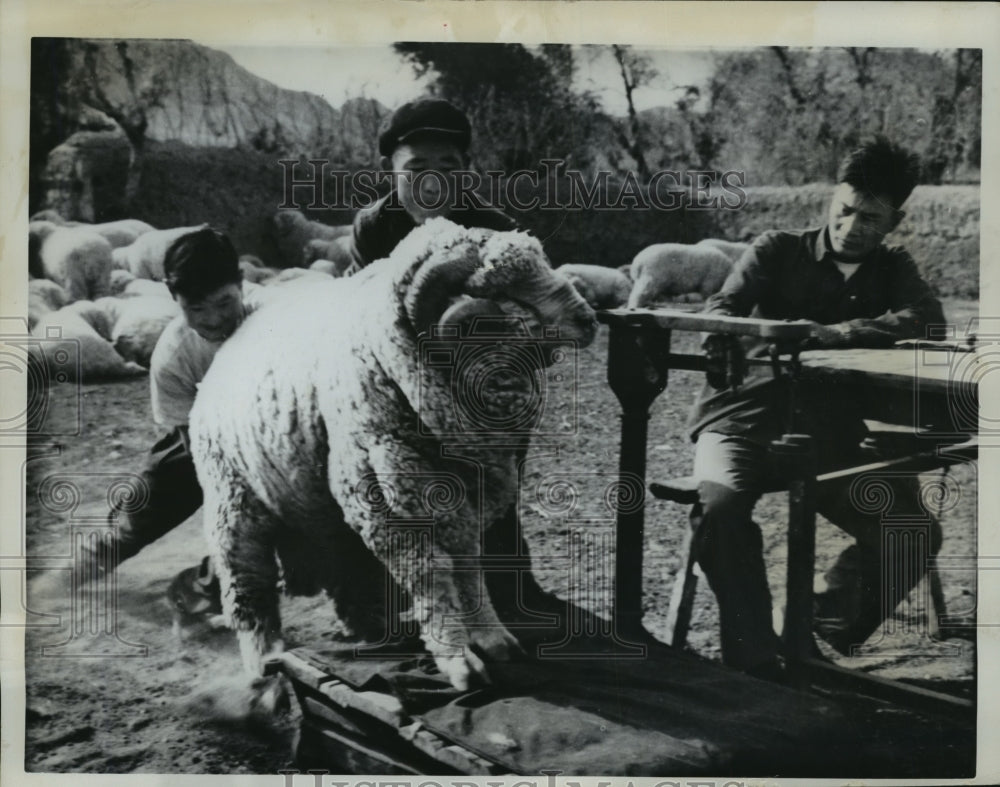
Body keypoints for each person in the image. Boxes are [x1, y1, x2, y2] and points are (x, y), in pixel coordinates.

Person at [685, 136, 946, 679]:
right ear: (832, 199)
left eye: (869, 219)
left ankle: (811, 626)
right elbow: (720, 311)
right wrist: (728, 339)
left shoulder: (892, 267)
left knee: (912, 530)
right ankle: (755, 658)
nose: (851, 227)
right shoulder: (776, 249)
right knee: (720, 512)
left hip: (827, 435)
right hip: (742, 419)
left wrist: (836, 333)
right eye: (844, 211)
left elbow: (927, 320)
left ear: (893, 222)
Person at [83, 228, 266, 617]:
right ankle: (55, 583)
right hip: (201, 440)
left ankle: (209, 585)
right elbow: (192, 445)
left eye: (224, 302)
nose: (214, 320)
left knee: (260, 524)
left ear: (242, 284)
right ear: (174, 299)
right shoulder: (173, 355)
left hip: (274, 433)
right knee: (134, 522)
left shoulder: (275, 318)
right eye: (196, 309)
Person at [343, 96, 516, 273]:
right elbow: (358, 294)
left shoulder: (499, 232)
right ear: (389, 170)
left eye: (447, 169)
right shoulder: (373, 226)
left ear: (465, 167)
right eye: (417, 169)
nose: (433, 186)